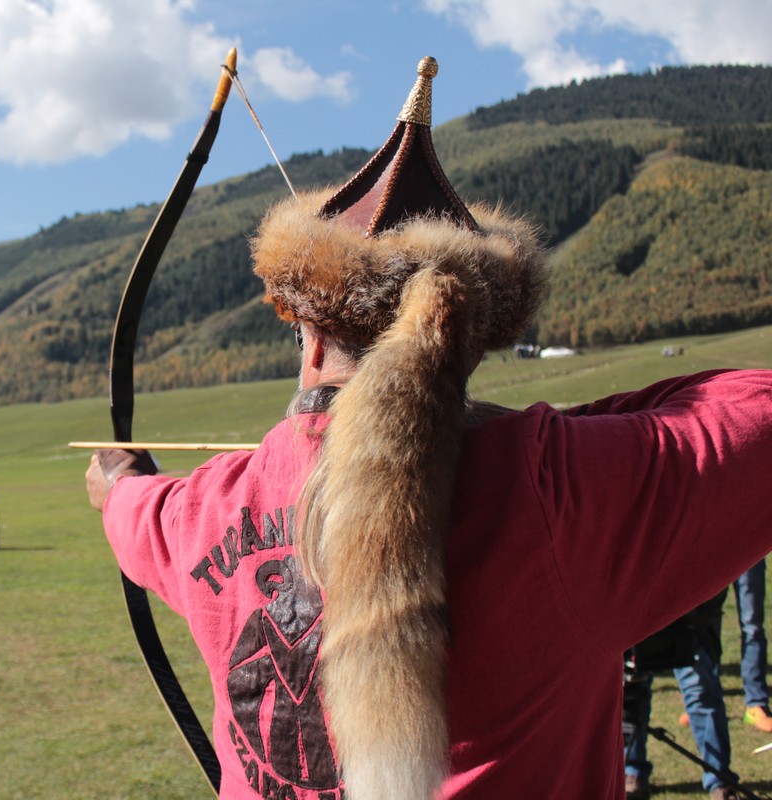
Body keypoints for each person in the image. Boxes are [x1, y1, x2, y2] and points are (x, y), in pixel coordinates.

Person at [84, 57, 772, 800]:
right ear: (466, 343)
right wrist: (548, 434)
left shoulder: (205, 507)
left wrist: (120, 476)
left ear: (310, 336)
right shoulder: (561, 489)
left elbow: (126, 503)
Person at [624, 592, 738, 800]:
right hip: (637, 609)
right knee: (631, 690)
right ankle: (632, 772)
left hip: (688, 614)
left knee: (702, 693)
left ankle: (720, 780)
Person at [735, 559, 772, 732]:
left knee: (752, 627)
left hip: (747, 551)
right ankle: (702, 703)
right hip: (711, 549)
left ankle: (756, 703)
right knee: (705, 627)